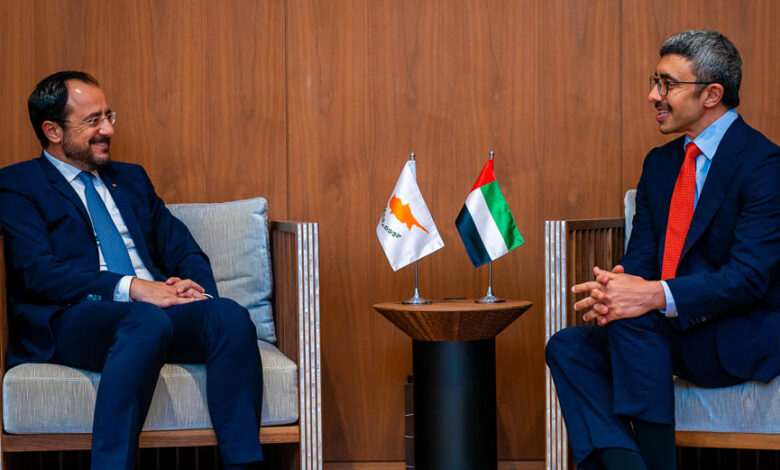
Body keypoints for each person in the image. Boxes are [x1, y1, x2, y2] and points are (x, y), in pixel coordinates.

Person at [0, 71, 264, 470]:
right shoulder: (19, 184)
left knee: (228, 316)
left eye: (108, 116)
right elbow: (38, 273)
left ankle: (244, 465)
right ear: (52, 130)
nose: (108, 129)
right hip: (75, 316)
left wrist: (193, 289)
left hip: (154, 314)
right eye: (93, 121)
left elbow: (182, 247)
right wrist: (134, 287)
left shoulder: (131, 179)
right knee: (144, 320)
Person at [545, 30, 780, 470]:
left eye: (667, 84)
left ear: (711, 94)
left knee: (635, 321)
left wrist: (650, 296)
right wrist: (614, 289)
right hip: (666, 333)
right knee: (566, 346)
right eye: (655, 82)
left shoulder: (765, 164)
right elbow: (641, 258)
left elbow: (749, 278)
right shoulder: (660, 163)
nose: (653, 95)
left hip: (732, 334)